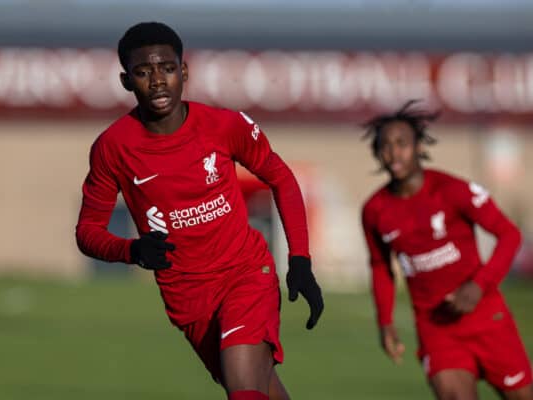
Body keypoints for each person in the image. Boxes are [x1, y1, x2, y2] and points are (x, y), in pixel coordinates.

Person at [75, 22, 324, 400]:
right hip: (189, 302)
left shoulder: (223, 126)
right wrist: (132, 251)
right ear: (127, 81)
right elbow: (88, 231)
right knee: (260, 390)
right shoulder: (113, 148)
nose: (157, 81)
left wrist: (301, 261)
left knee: (243, 388)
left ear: (184, 72)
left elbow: (282, 179)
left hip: (246, 274)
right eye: (144, 72)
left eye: (167, 69)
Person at [360, 100, 533, 400]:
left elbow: (509, 235)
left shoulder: (452, 190)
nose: (394, 152)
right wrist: (385, 322)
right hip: (436, 328)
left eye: (402, 143)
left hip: (487, 319)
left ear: (418, 147)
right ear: (377, 153)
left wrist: (478, 287)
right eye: (385, 146)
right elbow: (380, 266)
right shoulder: (375, 210)